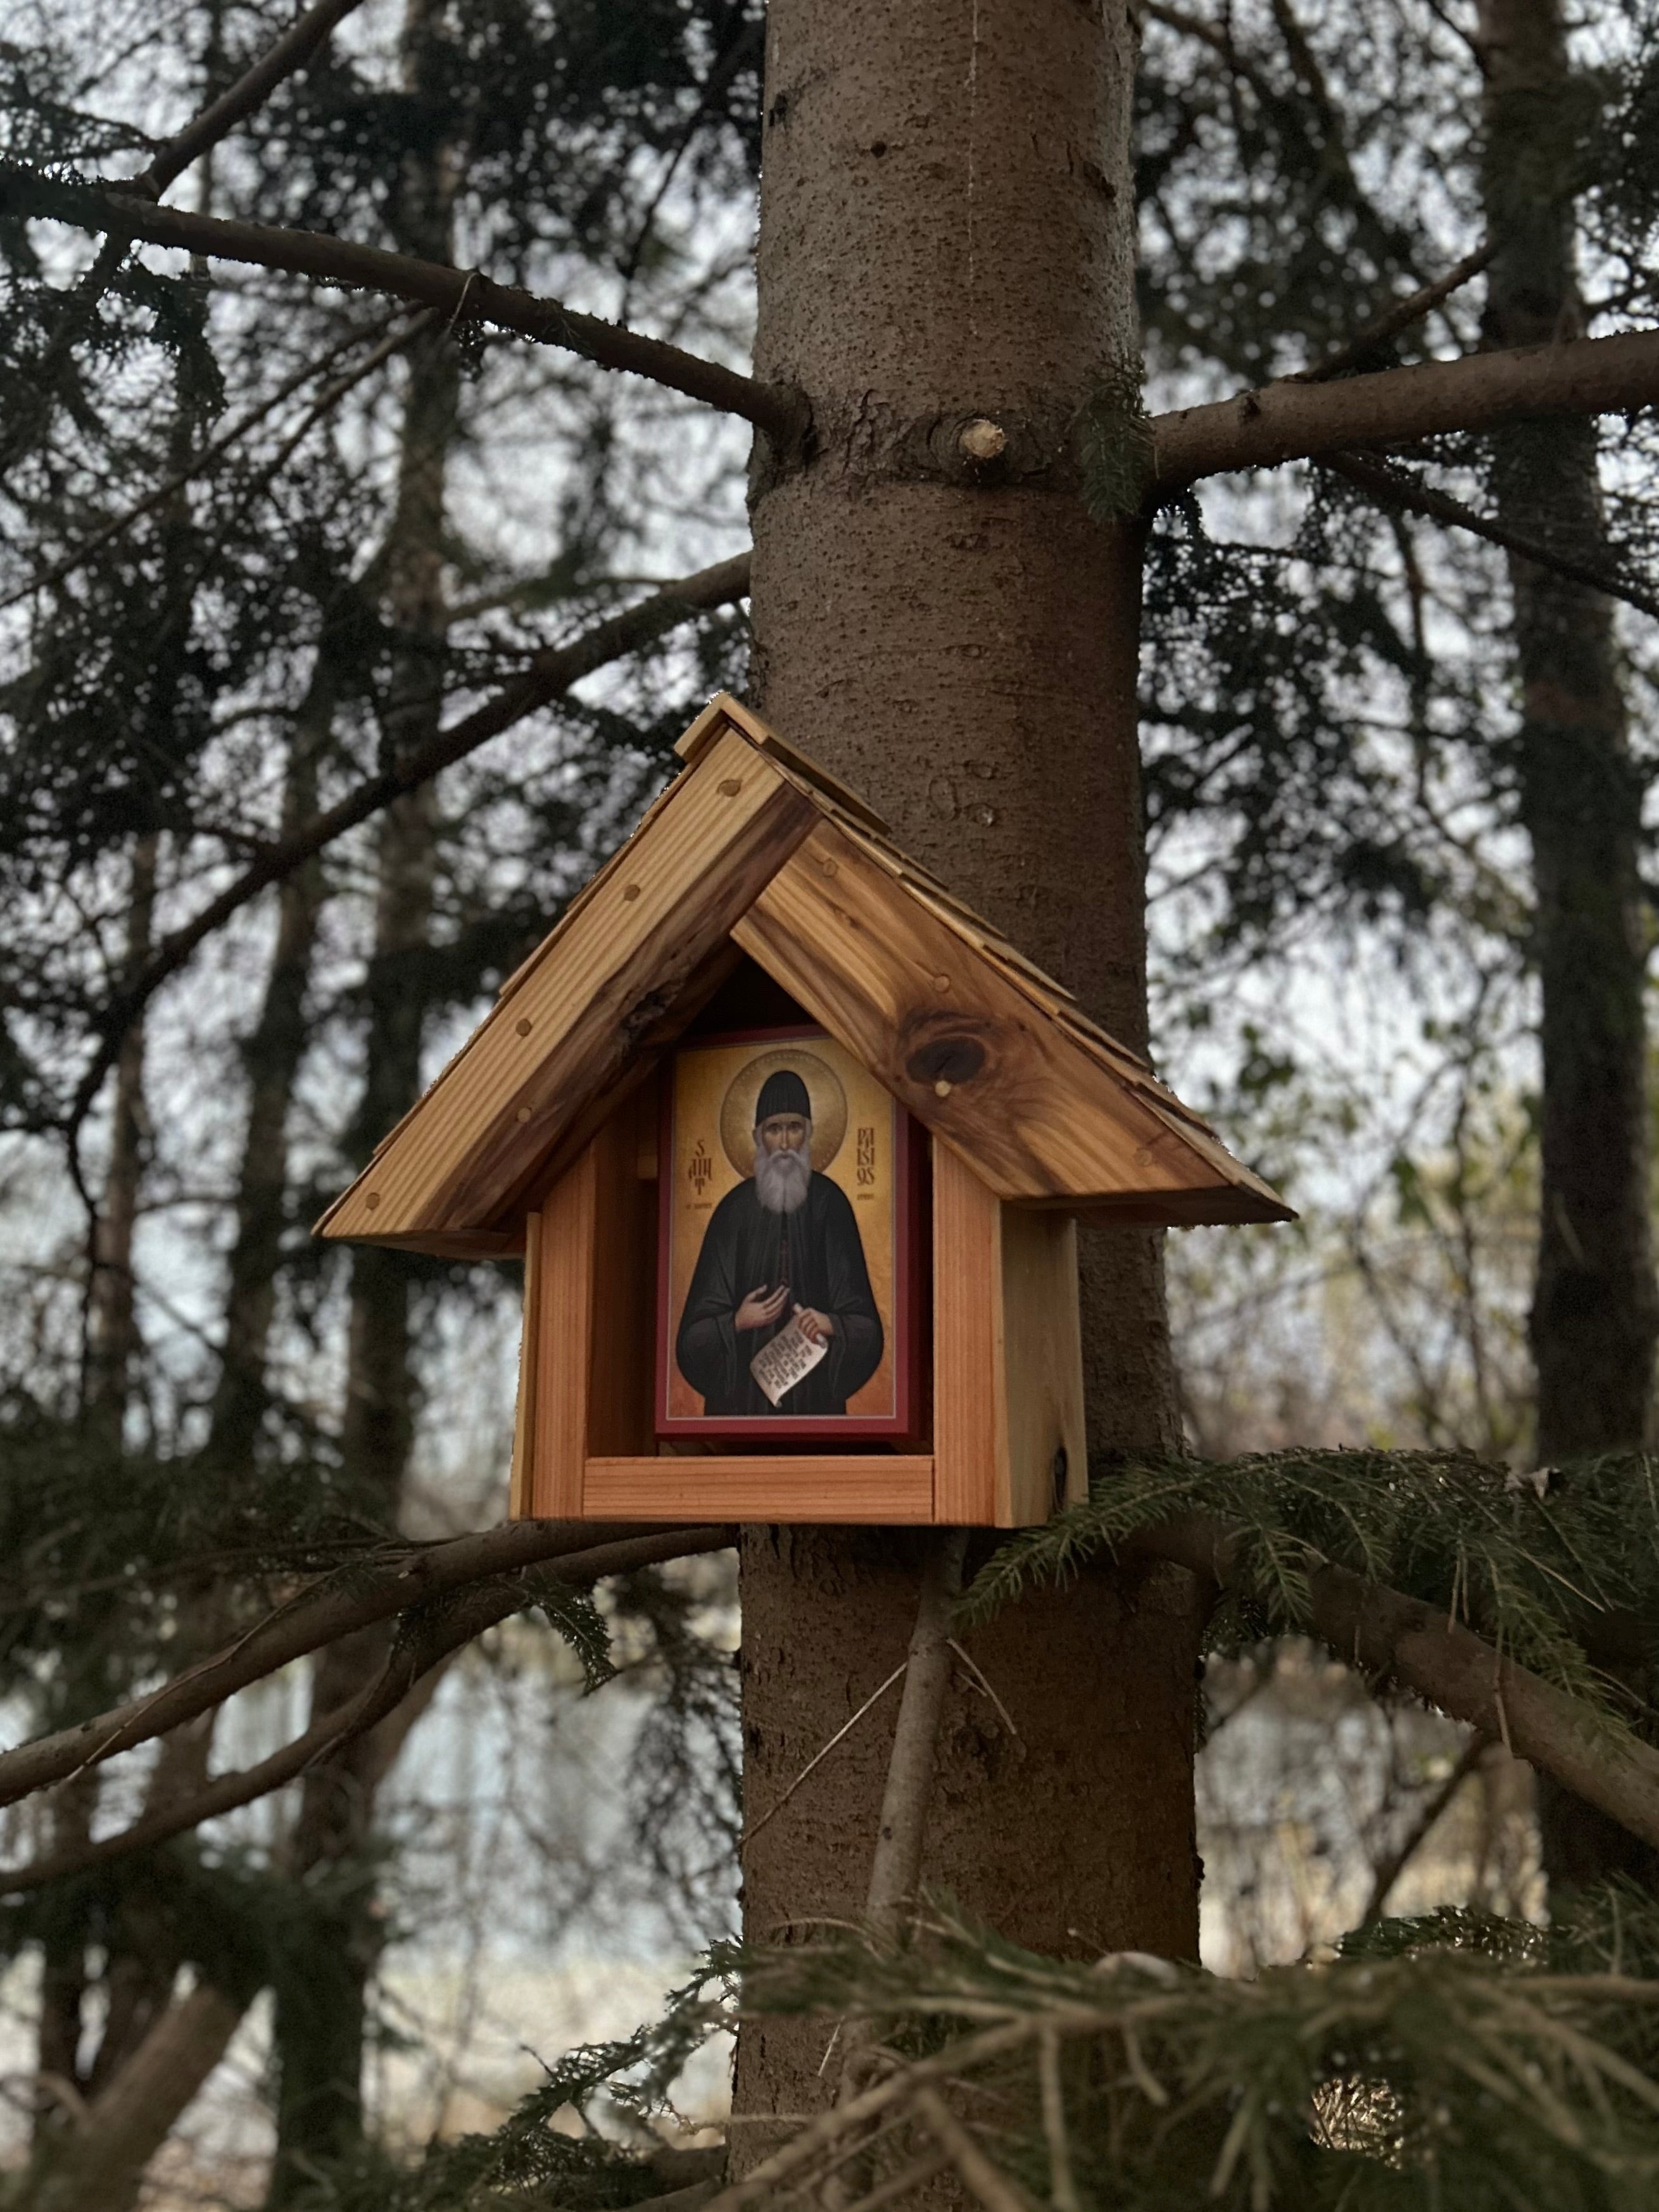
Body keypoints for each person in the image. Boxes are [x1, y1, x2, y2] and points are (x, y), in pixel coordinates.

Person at [676, 1068, 883, 1416]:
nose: (785, 1143)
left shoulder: (830, 1204)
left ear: (809, 1132)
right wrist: (738, 1322)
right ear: (758, 1137)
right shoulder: (732, 1212)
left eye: (794, 1128)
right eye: (774, 1129)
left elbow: (866, 1327)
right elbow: (692, 1340)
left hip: (815, 1402)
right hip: (741, 1406)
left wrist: (830, 1323)